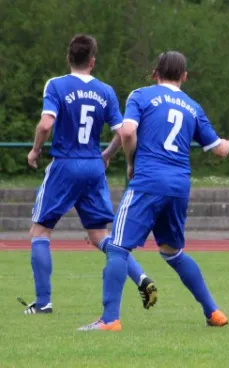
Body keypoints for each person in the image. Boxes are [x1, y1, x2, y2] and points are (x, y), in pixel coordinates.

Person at [78, 51, 229, 332]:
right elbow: (219, 150)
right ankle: (213, 312)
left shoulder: (142, 95)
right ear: (184, 77)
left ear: (155, 73)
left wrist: (130, 164)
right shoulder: (193, 106)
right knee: (173, 252)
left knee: (116, 247)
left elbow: (127, 132)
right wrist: (227, 143)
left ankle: (109, 320)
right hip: (178, 186)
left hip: (148, 182)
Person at [21, 34, 156, 315]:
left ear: (69, 58)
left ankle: (43, 302)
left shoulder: (56, 85)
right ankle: (141, 277)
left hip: (66, 163)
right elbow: (123, 132)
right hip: (94, 166)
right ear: (92, 61)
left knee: (40, 231)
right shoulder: (105, 91)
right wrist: (107, 156)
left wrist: (35, 151)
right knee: (100, 236)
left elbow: (46, 125)